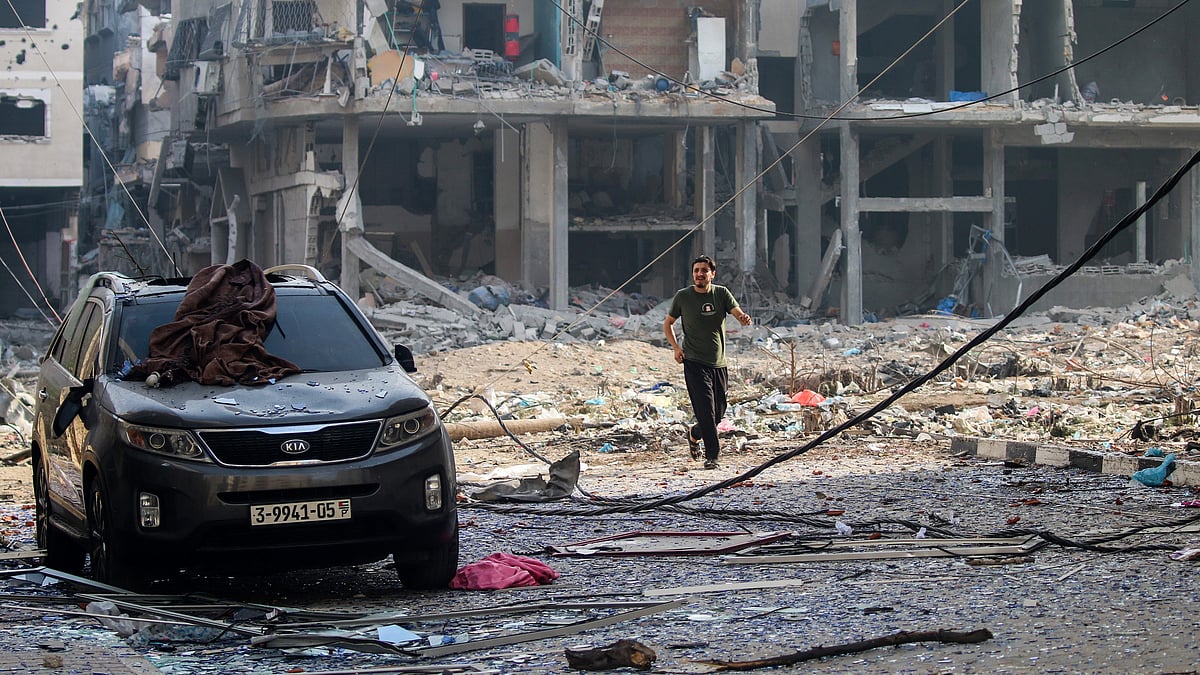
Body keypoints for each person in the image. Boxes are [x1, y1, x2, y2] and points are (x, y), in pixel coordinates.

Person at [663, 255, 752, 469]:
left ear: (712, 273)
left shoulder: (721, 293)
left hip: (718, 363)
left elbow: (737, 313)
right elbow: (668, 324)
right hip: (693, 362)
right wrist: (676, 348)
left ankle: (694, 433)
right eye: (696, 271)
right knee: (706, 412)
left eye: (704, 270)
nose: (700, 274)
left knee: (718, 413)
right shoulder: (683, 297)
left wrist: (743, 318)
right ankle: (712, 456)